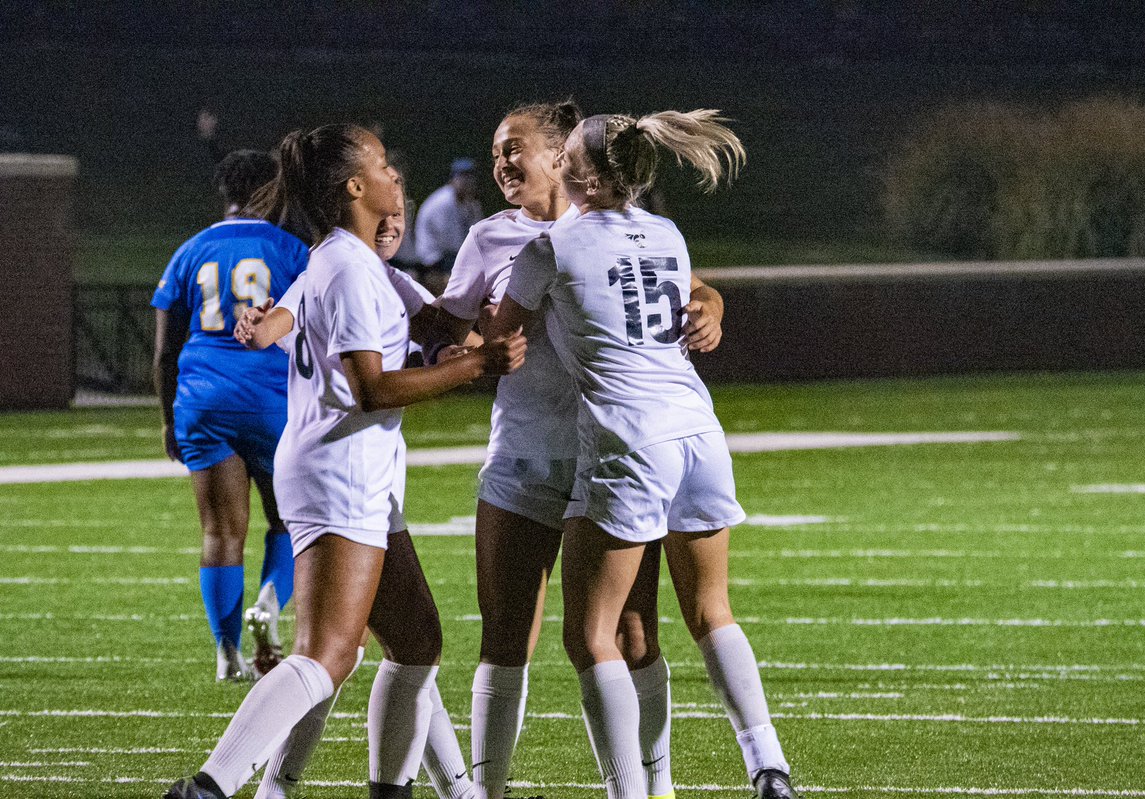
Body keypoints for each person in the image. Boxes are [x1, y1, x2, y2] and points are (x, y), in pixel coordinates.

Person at [164, 123, 526, 799]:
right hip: (340, 469)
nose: (397, 178)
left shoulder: (350, 263)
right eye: (386, 166)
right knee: (328, 654)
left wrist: (509, 270)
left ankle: (424, 791)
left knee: (415, 640)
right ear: (356, 186)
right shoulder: (349, 268)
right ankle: (210, 786)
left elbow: (434, 324)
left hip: (356, 473)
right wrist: (476, 364)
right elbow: (373, 387)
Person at [492, 110, 798, 799]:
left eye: (567, 155)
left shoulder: (549, 247)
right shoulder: (666, 232)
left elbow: (496, 332)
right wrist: (710, 301)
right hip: (698, 432)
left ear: (591, 177)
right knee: (710, 611)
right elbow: (684, 290)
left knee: (590, 636)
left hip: (629, 440)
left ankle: (630, 793)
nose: (560, 163)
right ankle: (768, 763)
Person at [426, 100, 726, 799]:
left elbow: (684, 283)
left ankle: (657, 785)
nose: (502, 162)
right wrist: (456, 345)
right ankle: (488, 789)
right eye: (495, 150)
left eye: (515, 147)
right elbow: (451, 327)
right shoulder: (492, 239)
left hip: (611, 460)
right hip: (525, 456)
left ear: (562, 155)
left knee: (633, 634)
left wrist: (711, 303)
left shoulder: (616, 227)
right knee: (506, 636)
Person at [152, 149, 308, 682]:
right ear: (272, 192)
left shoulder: (190, 251)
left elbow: (165, 350)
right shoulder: (292, 249)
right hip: (272, 399)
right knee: (289, 520)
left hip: (203, 398)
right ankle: (269, 601)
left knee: (220, 532)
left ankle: (227, 653)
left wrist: (171, 420)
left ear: (225, 194)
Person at [414, 157, 483, 294]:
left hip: (451, 256)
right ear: (453, 179)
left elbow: (479, 234)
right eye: (463, 177)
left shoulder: (470, 203)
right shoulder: (443, 201)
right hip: (432, 260)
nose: (468, 181)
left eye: (471, 177)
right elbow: (451, 243)